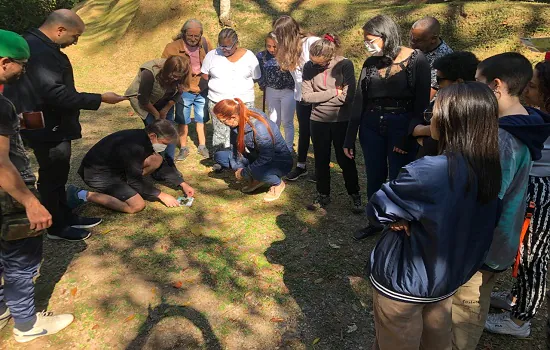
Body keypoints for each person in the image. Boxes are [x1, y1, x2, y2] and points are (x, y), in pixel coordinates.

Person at [367, 82, 502, 350]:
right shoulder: (489, 165)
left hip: (405, 281)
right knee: (437, 338)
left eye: (435, 111)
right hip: (446, 278)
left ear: (454, 119)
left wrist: (400, 217)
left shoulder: (430, 171)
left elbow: (377, 208)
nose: (431, 117)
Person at [451, 53, 550, 350]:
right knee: (477, 300)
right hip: (500, 241)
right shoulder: (527, 121)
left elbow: (485, 200)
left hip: (481, 246)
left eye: (478, 84)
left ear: (495, 86)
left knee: (464, 311)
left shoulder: (504, 139)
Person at [3, 9, 127, 242]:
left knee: (58, 176)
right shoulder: (40, 51)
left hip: (46, 122)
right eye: (74, 36)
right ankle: (56, 226)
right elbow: (57, 95)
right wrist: (99, 98)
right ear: (60, 30)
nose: (75, 41)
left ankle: (64, 214)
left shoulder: (37, 45)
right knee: (52, 176)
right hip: (48, 126)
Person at [0, 29, 74, 344]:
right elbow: (1, 163)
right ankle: (28, 325)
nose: (25, 71)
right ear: (4, 63)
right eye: (22, 65)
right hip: (9, 195)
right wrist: (30, 201)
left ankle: (3, 306)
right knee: (20, 258)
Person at [343, 15, 431, 240]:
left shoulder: (416, 60)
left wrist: (407, 136)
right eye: (365, 40)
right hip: (371, 125)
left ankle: (399, 223)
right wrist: (349, 137)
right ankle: (375, 220)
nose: (367, 44)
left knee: (399, 177)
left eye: (371, 40)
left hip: (402, 126)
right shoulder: (370, 63)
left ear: (386, 36)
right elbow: (360, 100)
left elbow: (421, 103)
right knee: (374, 175)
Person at [484, 60, 550, 338]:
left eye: (532, 87)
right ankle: (517, 297)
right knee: (520, 251)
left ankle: (521, 319)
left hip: (539, 192)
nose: (526, 91)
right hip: (530, 185)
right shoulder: (535, 115)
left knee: (532, 255)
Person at [67, 120, 195, 213]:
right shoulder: (134, 147)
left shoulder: (144, 138)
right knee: (137, 205)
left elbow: (161, 165)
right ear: (153, 136)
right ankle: (81, 194)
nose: (165, 147)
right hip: (97, 174)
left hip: (114, 168)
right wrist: (161, 195)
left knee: (157, 159)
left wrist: (182, 183)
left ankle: (126, 188)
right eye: (164, 143)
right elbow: (134, 179)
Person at [301, 33, 361, 213]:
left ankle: (355, 194)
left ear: (329, 58)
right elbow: (305, 97)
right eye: (312, 62)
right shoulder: (308, 67)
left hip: (341, 120)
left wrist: (320, 98)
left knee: (346, 159)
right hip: (317, 120)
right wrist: (334, 93)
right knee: (321, 160)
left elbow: (349, 97)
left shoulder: (345, 65)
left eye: (319, 64)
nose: (315, 66)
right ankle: (323, 194)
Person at [201, 28, 261, 167]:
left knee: (244, 131)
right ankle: (221, 160)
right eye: (221, 45)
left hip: (243, 102)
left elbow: (256, 76)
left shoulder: (249, 56)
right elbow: (205, 75)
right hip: (218, 100)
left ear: (236, 43)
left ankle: (245, 159)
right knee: (220, 132)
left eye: (227, 46)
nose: (224, 49)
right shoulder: (212, 55)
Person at [212, 99, 292, 202]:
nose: (223, 124)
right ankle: (256, 178)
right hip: (257, 156)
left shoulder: (259, 128)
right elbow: (235, 148)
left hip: (278, 161)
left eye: (223, 121)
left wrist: (245, 172)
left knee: (257, 171)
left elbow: (267, 157)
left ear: (233, 117)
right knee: (219, 156)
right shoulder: (236, 121)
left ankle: (277, 184)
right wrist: (238, 167)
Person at [272, 16, 320, 181]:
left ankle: (321, 168)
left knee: (318, 134)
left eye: (278, 35)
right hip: (301, 97)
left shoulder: (311, 43)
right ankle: (301, 166)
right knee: (304, 131)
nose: (276, 39)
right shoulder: (287, 50)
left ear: (286, 34)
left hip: (317, 98)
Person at [162, 19, 212, 161]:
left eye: (197, 36)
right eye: (190, 35)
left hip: (202, 87)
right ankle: (183, 147)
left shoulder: (205, 44)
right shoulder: (172, 48)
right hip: (184, 89)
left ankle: (202, 146)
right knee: (183, 119)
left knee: (201, 117)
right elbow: (165, 68)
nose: (193, 39)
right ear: (183, 33)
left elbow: (212, 61)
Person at [125, 55, 190, 164]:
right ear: (167, 70)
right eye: (173, 76)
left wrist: (165, 109)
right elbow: (143, 99)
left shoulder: (182, 73)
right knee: (154, 132)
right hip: (145, 103)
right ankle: (153, 162)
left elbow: (179, 92)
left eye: (178, 77)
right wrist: (156, 114)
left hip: (165, 102)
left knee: (169, 131)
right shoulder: (149, 73)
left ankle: (169, 163)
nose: (176, 79)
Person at [414, 51, 479, 158]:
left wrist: (422, 134)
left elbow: (440, 141)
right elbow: (417, 121)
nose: (437, 85)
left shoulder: (471, 108)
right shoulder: (442, 100)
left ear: (458, 82)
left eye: (439, 80)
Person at [256, 32, 296, 152]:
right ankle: (275, 145)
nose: (272, 49)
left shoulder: (289, 56)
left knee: (287, 120)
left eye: (275, 46)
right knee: (273, 120)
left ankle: (288, 148)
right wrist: (262, 83)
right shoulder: (261, 56)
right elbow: (258, 73)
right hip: (271, 91)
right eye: (269, 46)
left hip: (288, 91)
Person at [409, 16, 453, 99]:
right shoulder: (421, 46)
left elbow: (432, 89)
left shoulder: (443, 58)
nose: (412, 44)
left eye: (418, 41)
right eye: (411, 38)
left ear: (433, 39)